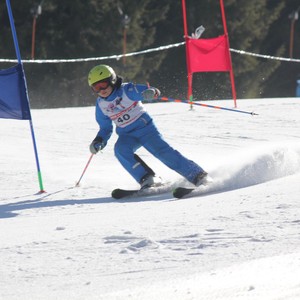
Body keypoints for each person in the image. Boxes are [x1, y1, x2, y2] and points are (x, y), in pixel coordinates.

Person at [88, 64, 207, 189]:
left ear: (112, 80)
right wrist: (99, 141)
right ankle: (147, 178)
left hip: (145, 130)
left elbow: (147, 91)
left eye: (103, 85)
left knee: (162, 152)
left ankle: (198, 175)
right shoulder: (101, 105)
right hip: (126, 135)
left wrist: (151, 92)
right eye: (96, 88)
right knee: (120, 150)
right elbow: (105, 128)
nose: (101, 90)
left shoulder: (127, 91)